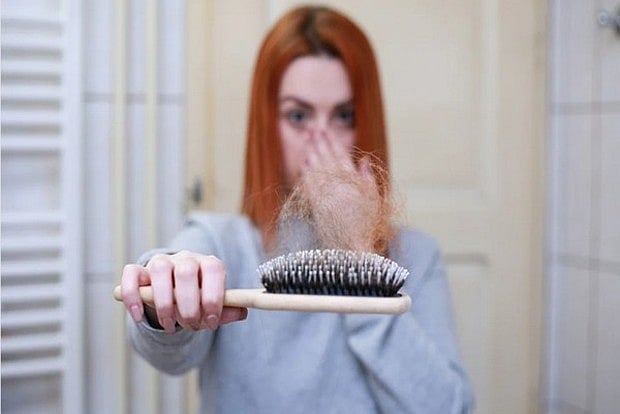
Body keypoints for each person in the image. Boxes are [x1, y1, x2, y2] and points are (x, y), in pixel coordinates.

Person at [121, 5, 474, 413]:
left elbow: (450, 407)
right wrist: (163, 296)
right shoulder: (221, 244)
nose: (322, 142)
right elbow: (167, 352)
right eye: (298, 115)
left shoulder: (417, 258)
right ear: (267, 124)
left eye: (344, 116)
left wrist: (360, 258)